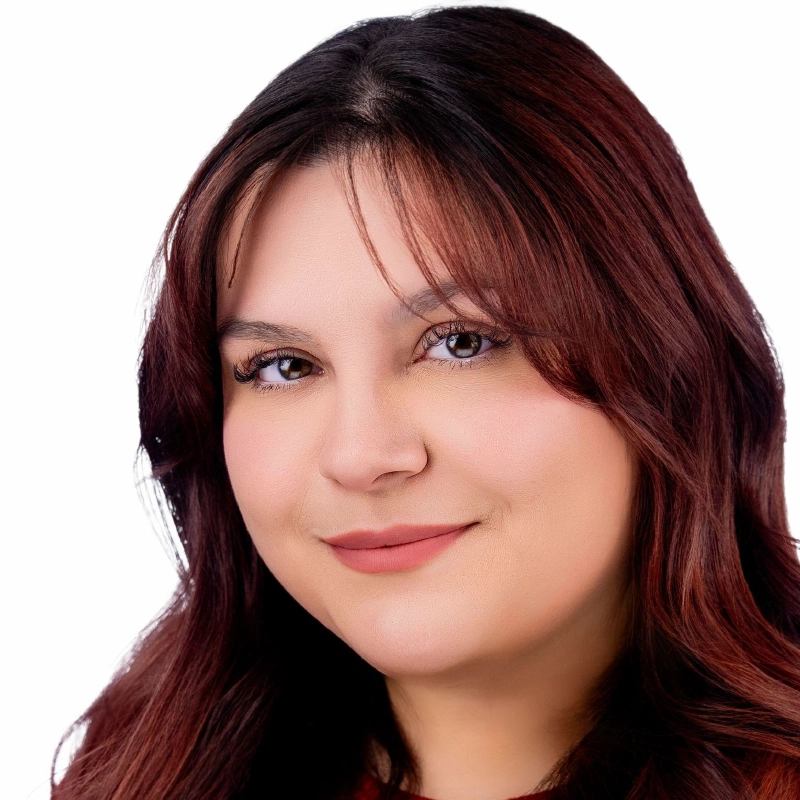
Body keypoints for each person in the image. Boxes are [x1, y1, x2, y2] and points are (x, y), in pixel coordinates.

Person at [51, 6, 800, 799]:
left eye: (461, 343)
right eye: (282, 366)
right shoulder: (135, 775)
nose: (360, 457)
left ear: (666, 361)